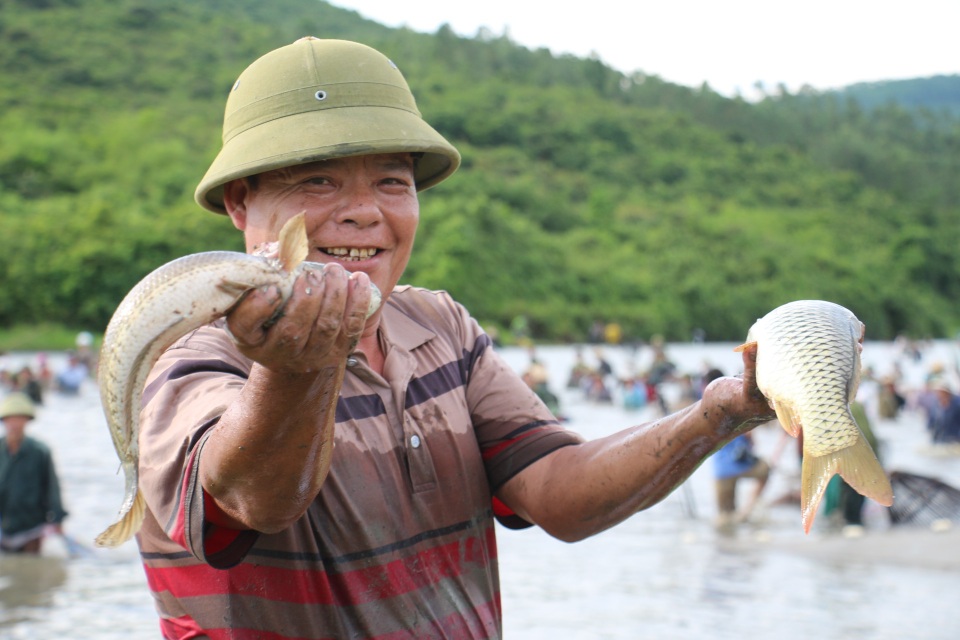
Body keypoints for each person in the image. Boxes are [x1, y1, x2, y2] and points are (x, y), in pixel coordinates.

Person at [133, 37, 774, 639]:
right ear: (241, 205)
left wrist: (721, 411)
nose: (365, 211)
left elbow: (560, 496)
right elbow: (254, 498)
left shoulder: (438, 326)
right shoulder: (182, 355)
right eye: (318, 180)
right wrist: (300, 368)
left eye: (392, 181)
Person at [0, 393, 68, 554]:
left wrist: (57, 519)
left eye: (19, 419)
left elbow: (52, 487)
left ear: (27, 421)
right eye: (11, 419)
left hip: (32, 525)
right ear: (4, 421)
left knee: (29, 565)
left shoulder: (40, 452)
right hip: (3, 523)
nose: (15, 424)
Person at [708, 368, 770, 526]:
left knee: (724, 519)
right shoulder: (743, 405)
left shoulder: (709, 407)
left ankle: (724, 548)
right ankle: (747, 510)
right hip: (741, 465)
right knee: (766, 469)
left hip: (720, 471)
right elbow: (751, 440)